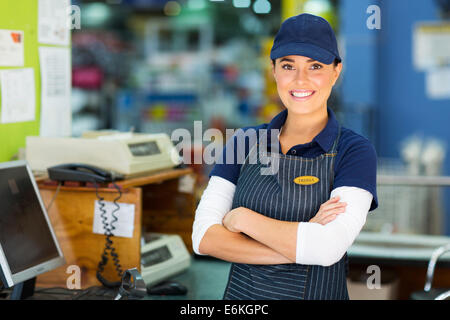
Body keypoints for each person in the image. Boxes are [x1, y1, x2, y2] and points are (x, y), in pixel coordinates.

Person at [192, 13, 378, 300]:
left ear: (336, 71)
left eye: (315, 66)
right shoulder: (244, 141)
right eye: (288, 66)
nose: (300, 79)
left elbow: (328, 247)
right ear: (273, 71)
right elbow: (203, 238)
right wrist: (303, 245)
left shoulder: (355, 151)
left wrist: (242, 219)